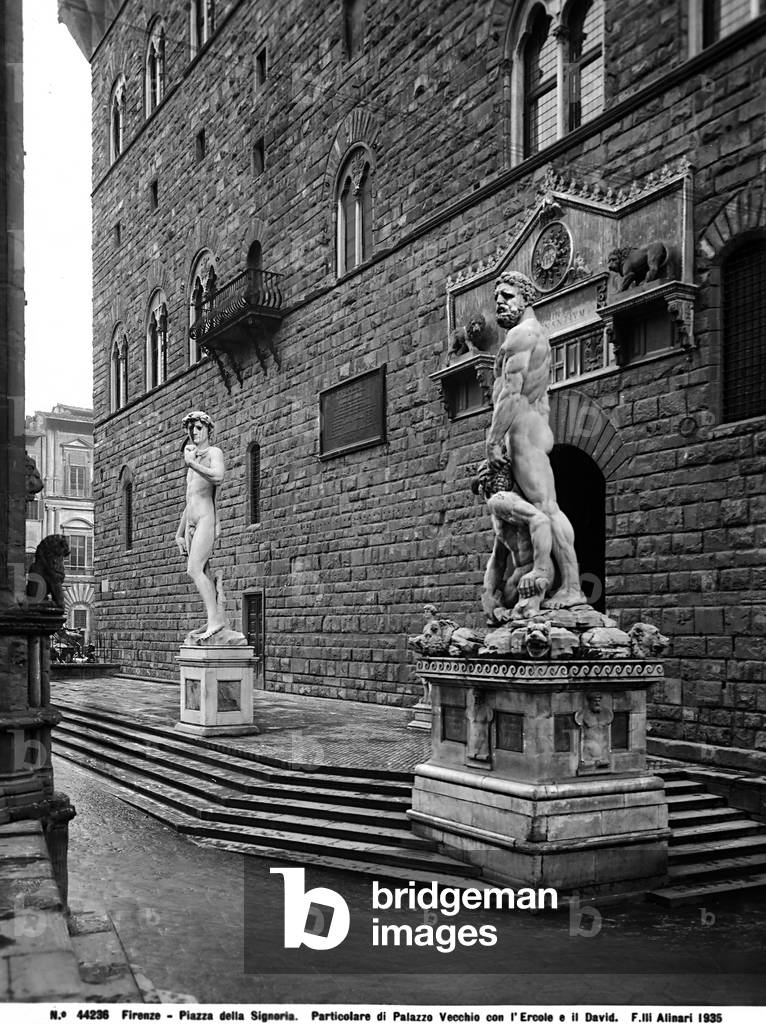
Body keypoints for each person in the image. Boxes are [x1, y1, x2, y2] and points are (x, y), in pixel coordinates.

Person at [485, 270, 585, 611]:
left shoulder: (521, 335)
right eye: (497, 297)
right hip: (530, 426)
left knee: (545, 508)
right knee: (533, 510)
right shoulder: (532, 335)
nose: (500, 302)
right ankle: (553, 583)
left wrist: (493, 440)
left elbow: (512, 394)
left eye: (508, 295)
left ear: (526, 298)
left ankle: (571, 585)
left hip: (522, 429)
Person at [175, 410, 227, 640]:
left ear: (208, 430)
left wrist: (192, 463)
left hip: (206, 517)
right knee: (202, 570)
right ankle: (212, 619)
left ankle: (215, 621)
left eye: (199, 428)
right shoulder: (192, 460)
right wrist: (178, 533)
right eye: (191, 429)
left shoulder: (214, 453)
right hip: (191, 522)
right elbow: (189, 499)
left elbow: (218, 477)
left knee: (194, 569)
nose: (194, 433)